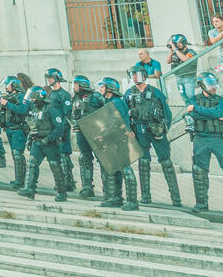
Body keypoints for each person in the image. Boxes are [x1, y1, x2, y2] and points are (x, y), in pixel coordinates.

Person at [189, 72, 223, 218]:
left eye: (214, 84)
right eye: (210, 84)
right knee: (199, 171)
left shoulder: (221, 100)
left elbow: (219, 112)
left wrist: (197, 109)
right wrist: (213, 114)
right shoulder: (194, 99)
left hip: (220, 138)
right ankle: (201, 204)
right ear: (201, 85)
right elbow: (194, 115)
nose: (213, 87)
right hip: (201, 138)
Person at [125, 64, 182, 207]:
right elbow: (124, 113)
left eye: (137, 74)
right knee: (143, 163)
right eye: (132, 75)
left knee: (166, 162)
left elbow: (167, 113)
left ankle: (176, 198)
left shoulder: (155, 92)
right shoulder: (129, 93)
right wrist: (128, 129)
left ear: (144, 76)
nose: (134, 77)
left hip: (156, 130)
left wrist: (163, 129)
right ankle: (145, 196)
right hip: (139, 131)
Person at [18, 87, 69, 202]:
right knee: (32, 163)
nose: (32, 100)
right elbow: (33, 125)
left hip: (51, 143)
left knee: (55, 166)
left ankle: (61, 192)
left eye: (33, 97)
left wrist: (48, 139)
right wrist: (30, 139)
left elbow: (59, 128)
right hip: (38, 141)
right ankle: (29, 189)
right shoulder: (35, 109)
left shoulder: (52, 109)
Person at [95, 77, 139, 211]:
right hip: (112, 140)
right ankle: (116, 198)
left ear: (109, 88)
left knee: (125, 169)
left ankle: (132, 201)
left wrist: (104, 135)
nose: (100, 89)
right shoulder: (109, 102)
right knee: (114, 170)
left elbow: (117, 124)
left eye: (102, 86)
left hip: (120, 140)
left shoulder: (117, 103)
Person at [68, 75, 106, 199]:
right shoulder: (74, 98)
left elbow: (108, 109)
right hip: (81, 132)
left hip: (96, 133)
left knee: (103, 159)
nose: (74, 87)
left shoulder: (95, 97)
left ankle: (108, 189)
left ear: (82, 85)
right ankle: (87, 187)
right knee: (84, 158)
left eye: (75, 84)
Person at [43, 68, 76, 191]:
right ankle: (67, 181)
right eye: (48, 78)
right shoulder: (51, 94)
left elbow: (67, 114)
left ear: (57, 79)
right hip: (54, 129)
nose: (49, 80)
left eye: (50, 77)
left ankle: (68, 183)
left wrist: (61, 129)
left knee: (64, 155)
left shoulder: (64, 95)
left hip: (63, 129)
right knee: (59, 155)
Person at [0, 76, 30, 189]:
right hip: (9, 129)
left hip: (18, 129)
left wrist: (7, 103)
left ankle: (20, 180)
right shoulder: (8, 96)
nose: (6, 87)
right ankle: (20, 178)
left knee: (18, 154)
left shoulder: (22, 96)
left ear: (14, 85)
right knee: (14, 154)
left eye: (8, 85)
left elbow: (22, 110)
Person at [167, 34, 198, 106]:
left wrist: (175, 50)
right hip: (179, 77)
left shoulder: (191, 52)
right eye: (176, 44)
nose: (177, 45)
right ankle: (189, 109)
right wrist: (171, 51)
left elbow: (185, 59)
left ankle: (195, 108)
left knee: (190, 95)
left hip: (189, 77)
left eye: (179, 43)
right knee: (184, 96)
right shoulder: (176, 52)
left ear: (184, 43)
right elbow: (168, 61)